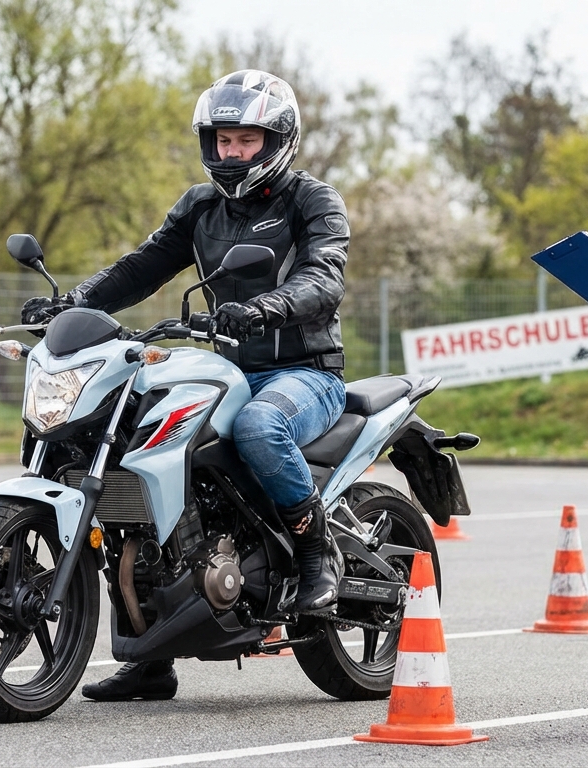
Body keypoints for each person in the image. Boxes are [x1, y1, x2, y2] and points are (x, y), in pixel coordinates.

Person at [19, 69, 350, 702]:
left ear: (277, 138)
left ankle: (316, 555)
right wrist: (74, 303)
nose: (231, 153)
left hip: (302, 372)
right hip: (222, 366)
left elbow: (323, 280)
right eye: (222, 140)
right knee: (129, 453)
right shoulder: (201, 207)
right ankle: (150, 654)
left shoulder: (313, 202)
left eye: (245, 141)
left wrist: (264, 309)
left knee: (259, 426)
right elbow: (142, 267)